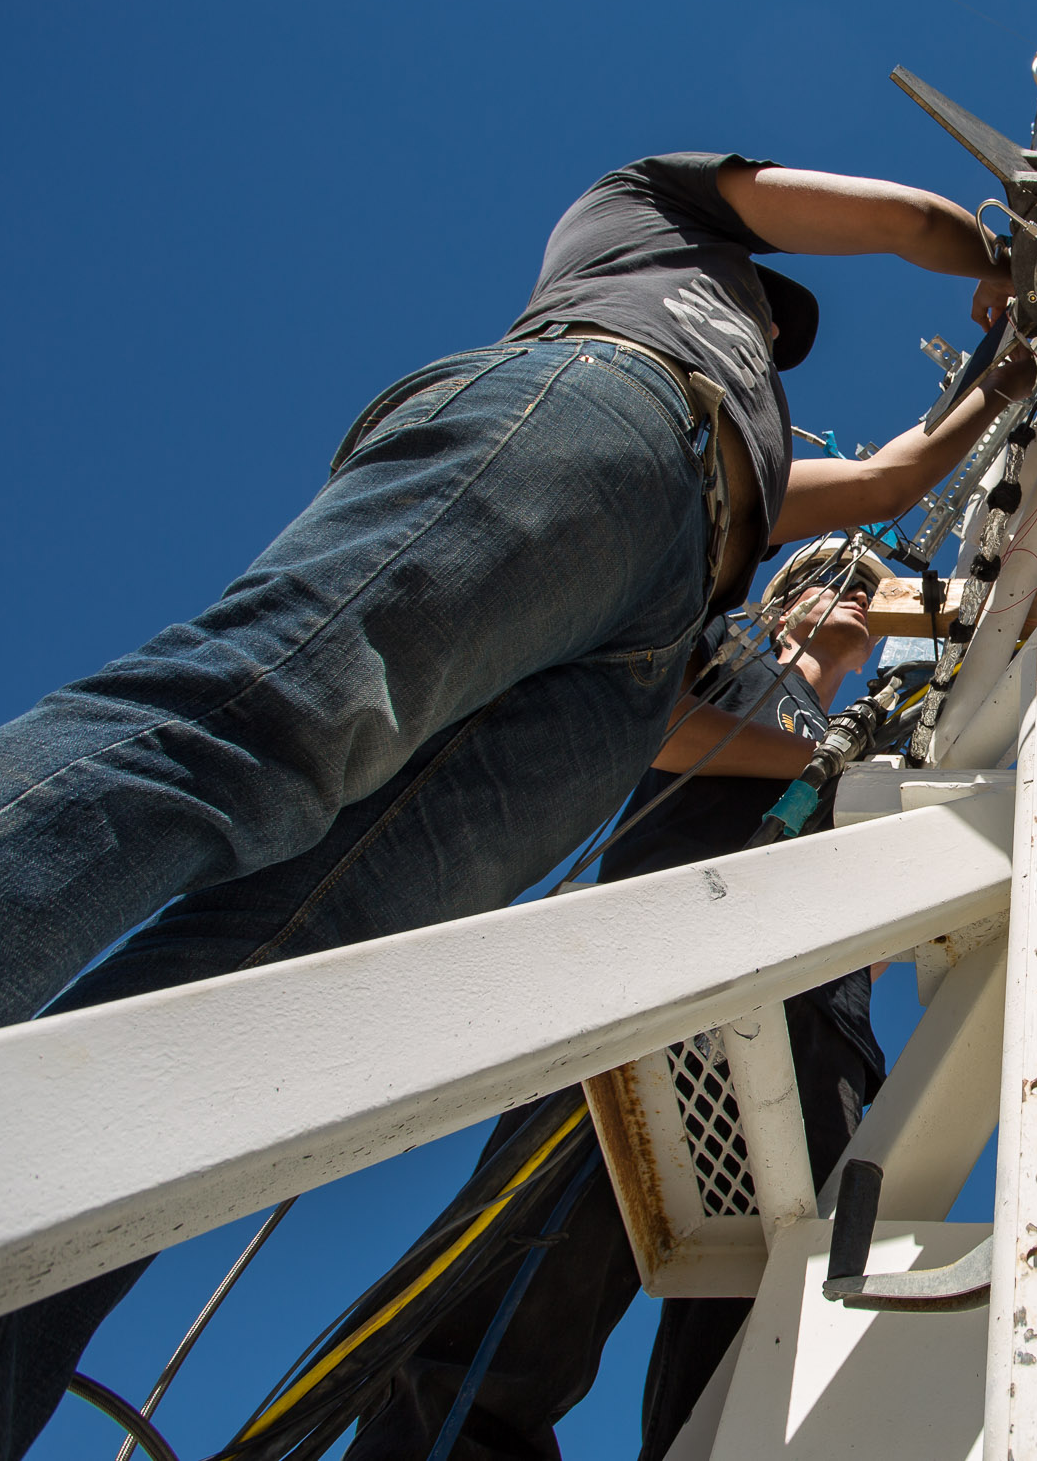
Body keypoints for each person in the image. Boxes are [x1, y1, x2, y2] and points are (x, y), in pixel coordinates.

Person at [0, 153, 1018, 1460]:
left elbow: (898, 484)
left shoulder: (756, 465)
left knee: (282, 991)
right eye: (763, 309)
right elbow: (910, 223)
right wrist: (1010, 258)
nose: (763, 331)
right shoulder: (643, 224)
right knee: (260, 730)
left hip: (672, 567)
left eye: (774, 337)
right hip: (598, 421)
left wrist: (1011, 374)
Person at [344, 542, 905, 1461]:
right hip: (653, 975)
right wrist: (824, 772)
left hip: (814, 1028)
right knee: (507, 1319)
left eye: (871, 590)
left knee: (757, 1377)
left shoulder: (875, 745)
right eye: (830, 576)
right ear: (783, 599)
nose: (851, 592)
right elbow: (668, 729)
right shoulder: (730, 658)